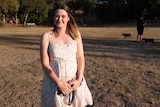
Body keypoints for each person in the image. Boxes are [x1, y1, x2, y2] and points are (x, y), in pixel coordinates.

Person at [40, 4, 93, 107]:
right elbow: (45, 63)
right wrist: (58, 83)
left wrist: (79, 80)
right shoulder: (47, 36)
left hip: (75, 86)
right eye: (56, 16)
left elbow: (80, 57)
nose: (59, 19)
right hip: (53, 86)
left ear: (68, 18)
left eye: (63, 16)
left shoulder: (75, 34)